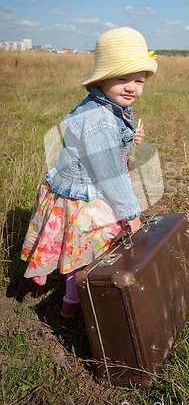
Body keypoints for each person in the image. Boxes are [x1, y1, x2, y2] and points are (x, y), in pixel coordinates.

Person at [21, 27, 158, 318]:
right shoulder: (101, 120)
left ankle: (70, 294)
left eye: (139, 80)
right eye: (122, 78)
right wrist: (131, 212)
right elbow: (109, 172)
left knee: (81, 250)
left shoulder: (104, 107)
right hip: (86, 199)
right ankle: (74, 302)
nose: (132, 87)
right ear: (103, 79)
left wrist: (128, 138)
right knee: (88, 253)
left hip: (78, 190)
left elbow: (101, 151)